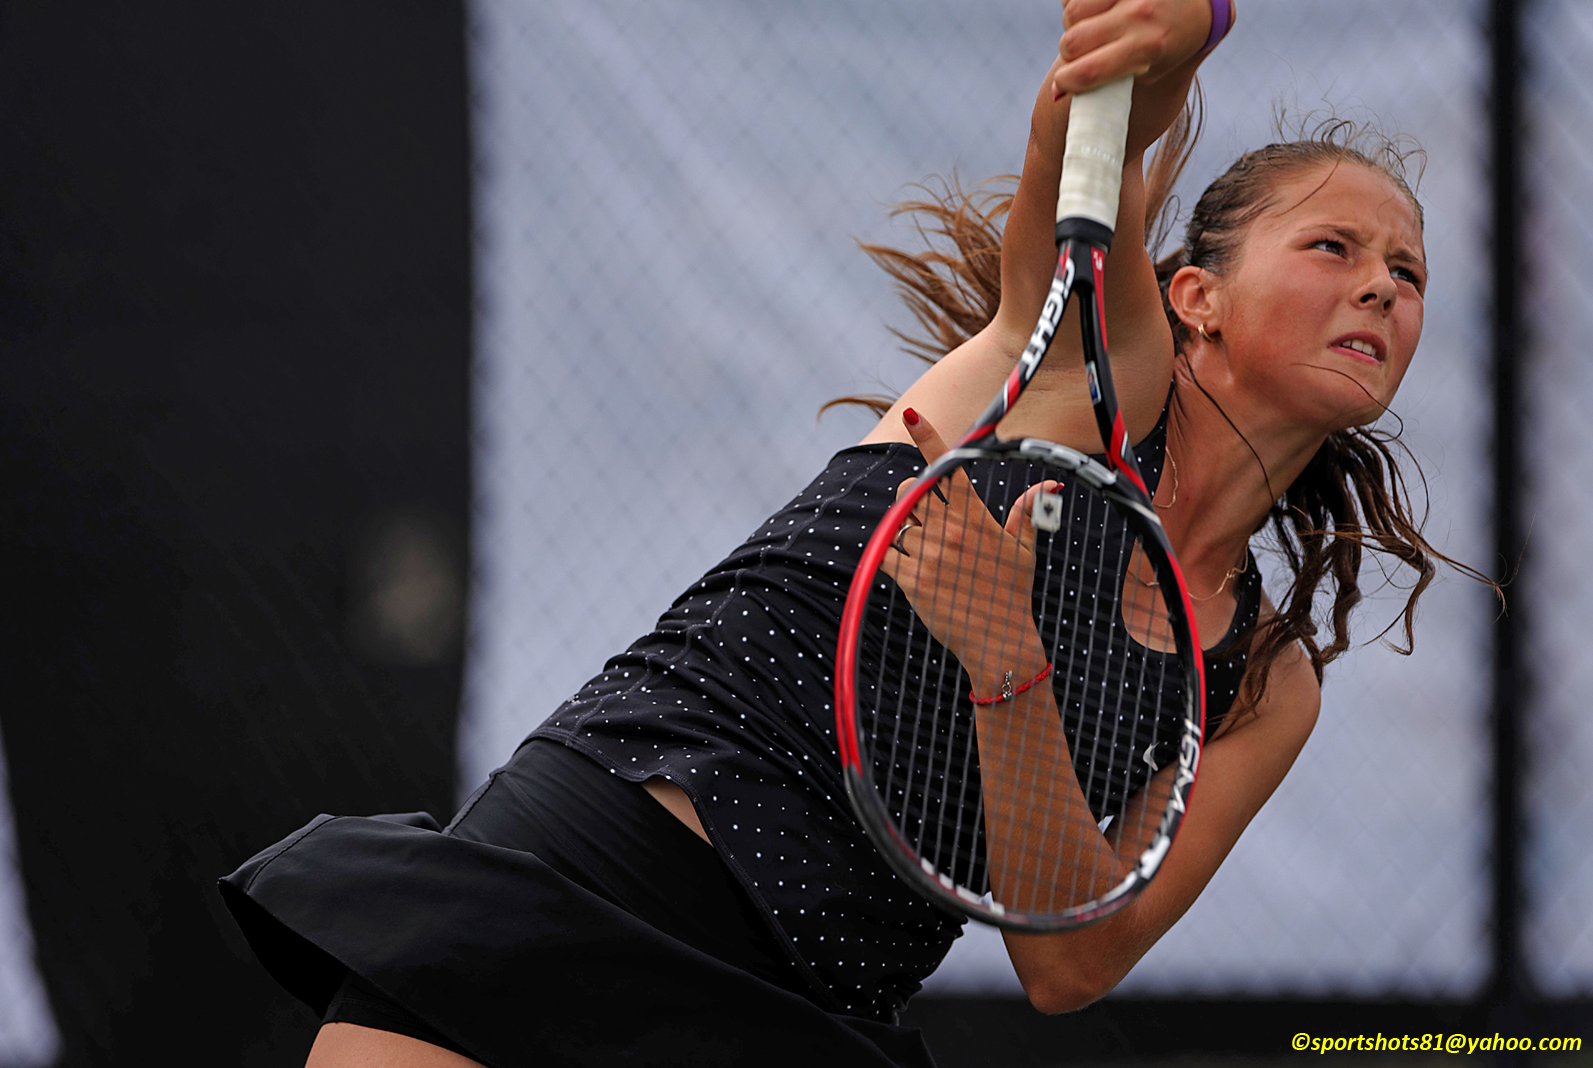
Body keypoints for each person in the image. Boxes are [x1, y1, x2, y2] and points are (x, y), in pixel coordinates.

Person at [221, 1, 1472, 1065]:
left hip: (809, 1006)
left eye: (1407, 272)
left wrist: (1005, 669)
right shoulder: (1078, 382)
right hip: (588, 873)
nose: (1380, 285)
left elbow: (1072, 955)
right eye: (1334, 247)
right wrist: (1183, 36)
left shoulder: (1263, 682)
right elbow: (1085, 126)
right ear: (1192, 296)